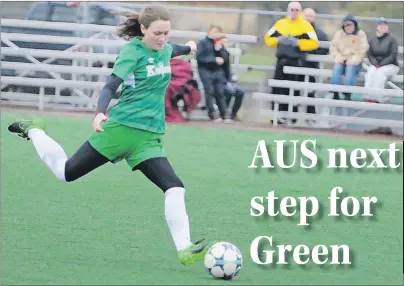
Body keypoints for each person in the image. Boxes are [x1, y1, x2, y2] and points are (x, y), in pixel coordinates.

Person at [7, 5, 215, 266]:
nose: (163, 39)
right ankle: (34, 129)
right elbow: (110, 85)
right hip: (119, 131)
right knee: (65, 173)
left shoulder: (164, 49)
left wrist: (189, 47)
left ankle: (185, 249)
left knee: (174, 187)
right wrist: (98, 112)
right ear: (143, 29)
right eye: (158, 33)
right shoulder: (131, 52)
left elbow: (174, 50)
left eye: (166, 33)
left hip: (147, 139)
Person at [264, 1, 319, 124]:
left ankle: (291, 117)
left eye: (296, 10)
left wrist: (298, 43)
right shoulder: (280, 23)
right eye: (292, 10)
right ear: (288, 11)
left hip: (296, 62)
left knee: (293, 90)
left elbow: (314, 43)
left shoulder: (305, 25)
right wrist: (278, 40)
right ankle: (276, 115)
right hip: (282, 60)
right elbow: (268, 39)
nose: (294, 12)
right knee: (277, 88)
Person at [196, 24, 231, 122]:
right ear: (209, 31)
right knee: (209, 92)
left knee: (220, 92)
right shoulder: (203, 43)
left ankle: (224, 113)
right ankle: (212, 113)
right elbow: (200, 58)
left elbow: (226, 60)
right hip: (205, 71)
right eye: (215, 32)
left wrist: (220, 49)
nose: (216, 34)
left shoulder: (219, 44)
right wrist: (214, 60)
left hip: (218, 72)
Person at [329, 15, 369, 100]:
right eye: (346, 25)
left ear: (354, 25)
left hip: (355, 61)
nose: (348, 27)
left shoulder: (360, 34)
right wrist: (338, 57)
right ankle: (334, 91)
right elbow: (333, 47)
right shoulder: (339, 34)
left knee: (350, 69)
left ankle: (347, 92)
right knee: (337, 68)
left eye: (350, 25)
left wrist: (354, 60)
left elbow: (363, 49)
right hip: (342, 59)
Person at [364, 17, 400, 103]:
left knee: (380, 73)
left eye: (385, 25)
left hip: (391, 65)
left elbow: (393, 55)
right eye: (381, 25)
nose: (383, 27)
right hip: (376, 65)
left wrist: (381, 65)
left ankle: (376, 98)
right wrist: (375, 63)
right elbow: (369, 53)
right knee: (370, 72)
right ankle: (367, 96)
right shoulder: (372, 39)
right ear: (377, 27)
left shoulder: (392, 39)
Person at [302, 8, 329, 119]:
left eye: (310, 16)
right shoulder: (296, 31)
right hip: (297, 64)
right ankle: (290, 117)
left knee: (311, 91)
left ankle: (310, 117)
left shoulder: (320, 34)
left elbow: (324, 49)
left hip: (312, 65)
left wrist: (308, 49)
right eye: (306, 16)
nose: (308, 18)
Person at [165, 56, 201, 122]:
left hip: (185, 85)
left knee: (192, 91)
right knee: (167, 90)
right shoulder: (168, 64)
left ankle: (186, 111)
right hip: (172, 85)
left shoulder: (186, 64)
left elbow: (189, 75)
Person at [219, 37, 245, 121]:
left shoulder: (226, 53)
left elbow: (228, 71)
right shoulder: (218, 52)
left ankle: (233, 114)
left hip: (228, 80)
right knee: (229, 91)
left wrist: (231, 79)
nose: (226, 44)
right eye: (224, 42)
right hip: (218, 81)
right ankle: (223, 113)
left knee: (240, 92)